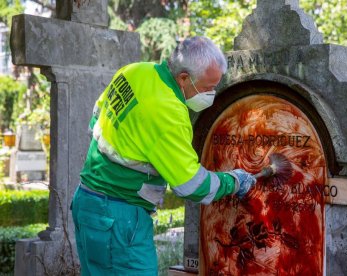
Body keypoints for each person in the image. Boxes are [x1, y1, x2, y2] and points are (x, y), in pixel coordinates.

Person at [70, 36, 256, 275]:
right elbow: (191, 185)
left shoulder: (135, 71)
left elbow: (96, 119)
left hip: (88, 203)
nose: (211, 94)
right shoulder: (168, 111)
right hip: (118, 218)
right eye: (208, 88)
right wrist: (235, 181)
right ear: (184, 78)